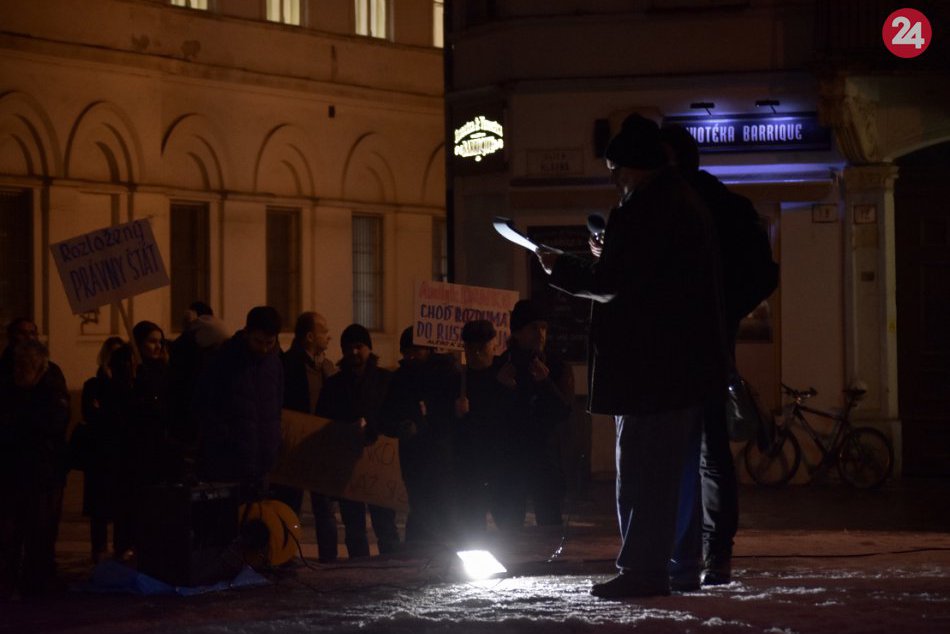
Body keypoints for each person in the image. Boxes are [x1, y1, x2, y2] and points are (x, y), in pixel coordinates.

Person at [537, 114, 727, 598]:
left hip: (649, 367)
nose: (614, 180)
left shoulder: (647, 207)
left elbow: (617, 283)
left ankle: (643, 570)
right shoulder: (681, 201)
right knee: (669, 473)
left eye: (616, 170)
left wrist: (563, 268)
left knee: (644, 473)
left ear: (634, 166)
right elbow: (646, 275)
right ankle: (672, 566)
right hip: (678, 365)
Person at [660, 124, 779, 586]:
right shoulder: (727, 204)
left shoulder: (677, 206)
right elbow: (764, 274)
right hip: (712, 343)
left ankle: (687, 555)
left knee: (683, 452)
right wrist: (725, 312)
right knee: (711, 453)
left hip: (683, 346)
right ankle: (714, 555)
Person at [315, 324, 398, 557]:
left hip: (379, 466)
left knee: (385, 525)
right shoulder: (334, 384)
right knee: (354, 527)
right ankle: (358, 567)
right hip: (348, 466)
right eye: (349, 347)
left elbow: (394, 415)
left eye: (359, 346)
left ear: (369, 348)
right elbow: (324, 420)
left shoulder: (385, 380)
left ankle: (391, 566)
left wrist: (373, 427)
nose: (354, 352)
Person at [0, 339, 70, 597]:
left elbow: (50, 426)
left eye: (26, 365)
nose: (19, 370)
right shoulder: (10, 388)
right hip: (14, 472)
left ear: (39, 366)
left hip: (43, 474)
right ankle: (10, 579)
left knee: (40, 530)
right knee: (10, 531)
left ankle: (36, 580)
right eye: (17, 365)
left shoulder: (51, 390)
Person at [494, 300, 573, 528]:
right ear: (517, 332)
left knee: (549, 525)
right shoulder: (503, 365)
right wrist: (503, 387)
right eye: (533, 327)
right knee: (510, 529)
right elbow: (493, 416)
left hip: (546, 461)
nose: (540, 334)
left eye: (544, 327)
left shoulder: (556, 366)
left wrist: (545, 383)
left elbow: (564, 411)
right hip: (511, 461)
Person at [381, 326, 460, 545]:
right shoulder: (400, 379)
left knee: (443, 511)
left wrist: (426, 426)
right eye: (407, 352)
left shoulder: (447, 375)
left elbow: (449, 418)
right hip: (413, 459)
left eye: (416, 350)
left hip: (441, 458)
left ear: (429, 349)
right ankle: (418, 555)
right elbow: (385, 416)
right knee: (420, 511)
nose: (411, 356)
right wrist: (400, 427)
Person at [271, 311, 339, 562]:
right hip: (294, 448)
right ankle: (285, 556)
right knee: (290, 507)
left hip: (320, 447)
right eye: (323, 331)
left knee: (325, 509)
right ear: (310, 337)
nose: (328, 336)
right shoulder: (288, 365)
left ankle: (328, 561)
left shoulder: (327, 368)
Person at [196, 306, 284, 500]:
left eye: (269, 343)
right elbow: (208, 407)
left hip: (263, 461)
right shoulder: (223, 361)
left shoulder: (274, 363)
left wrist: (273, 442)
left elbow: (276, 407)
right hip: (229, 461)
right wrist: (225, 440)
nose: (264, 348)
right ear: (247, 333)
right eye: (258, 341)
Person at [453, 319, 515, 539]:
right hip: (470, 468)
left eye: (482, 347)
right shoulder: (459, 380)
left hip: (501, 466)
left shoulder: (504, 374)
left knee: (508, 527)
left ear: (492, 345)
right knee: (472, 527)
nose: (477, 353)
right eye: (471, 348)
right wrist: (457, 414)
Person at [78, 336, 125, 562]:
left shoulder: (130, 386)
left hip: (122, 455)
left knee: (122, 507)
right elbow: (93, 416)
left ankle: (121, 550)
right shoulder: (94, 385)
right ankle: (99, 552)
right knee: (99, 510)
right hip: (100, 456)